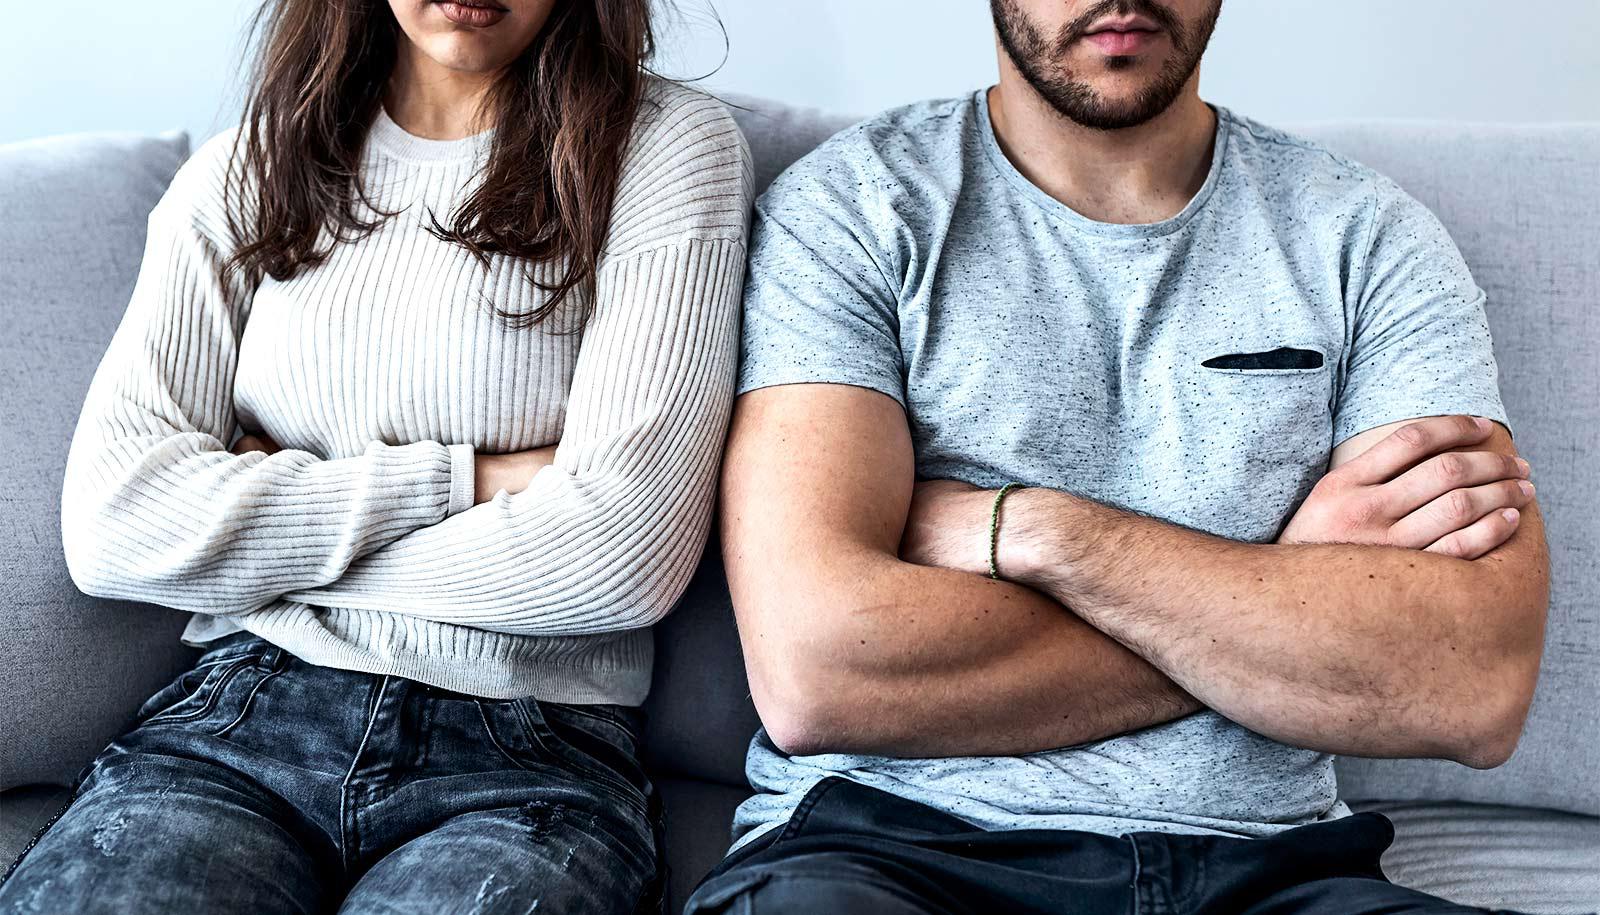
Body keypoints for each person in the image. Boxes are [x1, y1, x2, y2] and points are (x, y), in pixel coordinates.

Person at [689, 0, 1549, 912]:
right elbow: (818, 672)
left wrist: (1038, 531)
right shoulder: (853, 209)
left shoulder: (1367, 236)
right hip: (890, 847)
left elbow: (1469, 681)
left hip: (1276, 870)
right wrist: (1276, 592)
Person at [1, 0, 751, 912]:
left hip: (532, 755)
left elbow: (621, 557)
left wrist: (261, 534)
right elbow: (114, 528)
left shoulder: (667, 149)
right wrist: (470, 479)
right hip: (238, 716)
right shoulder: (247, 168)